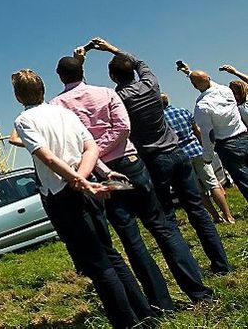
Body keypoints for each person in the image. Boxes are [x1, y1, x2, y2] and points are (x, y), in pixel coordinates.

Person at [48, 51, 212, 309]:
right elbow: (123, 128)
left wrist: (93, 153)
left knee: (131, 238)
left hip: (99, 173)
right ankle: (198, 292)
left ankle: (161, 304)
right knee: (162, 227)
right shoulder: (106, 93)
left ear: (59, 77)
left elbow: (73, 144)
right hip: (130, 163)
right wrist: (102, 148)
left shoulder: (57, 107)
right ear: (83, 72)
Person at [10, 69, 152, 329]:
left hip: (62, 193)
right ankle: (144, 314)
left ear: (18, 96)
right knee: (110, 253)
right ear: (43, 89)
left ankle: (126, 322)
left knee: (97, 265)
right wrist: (84, 178)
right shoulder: (64, 112)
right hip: (85, 187)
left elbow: (48, 158)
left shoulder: (24, 120)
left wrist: (78, 182)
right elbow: (92, 147)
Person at [84, 38, 230, 274]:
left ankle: (189, 270)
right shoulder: (151, 84)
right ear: (133, 71)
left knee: (167, 219)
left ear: (112, 77)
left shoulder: (118, 98)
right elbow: (140, 61)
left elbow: (92, 100)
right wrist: (112, 49)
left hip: (153, 159)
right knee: (197, 209)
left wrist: (81, 61)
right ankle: (222, 265)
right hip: (177, 152)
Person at [162, 92, 234, 224]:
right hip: (197, 150)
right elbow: (198, 131)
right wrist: (206, 148)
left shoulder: (160, 120)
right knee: (213, 183)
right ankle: (228, 216)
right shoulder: (183, 111)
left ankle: (216, 217)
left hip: (181, 156)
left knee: (198, 190)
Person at [182, 65, 248, 203]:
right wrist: (189, 73)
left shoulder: (202, 106)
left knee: (244, 180)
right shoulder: (226, 91)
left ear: (194, 86)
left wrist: (207, 156)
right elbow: (208, 82)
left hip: (228, 147)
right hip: (244, 137)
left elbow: (208, 134)